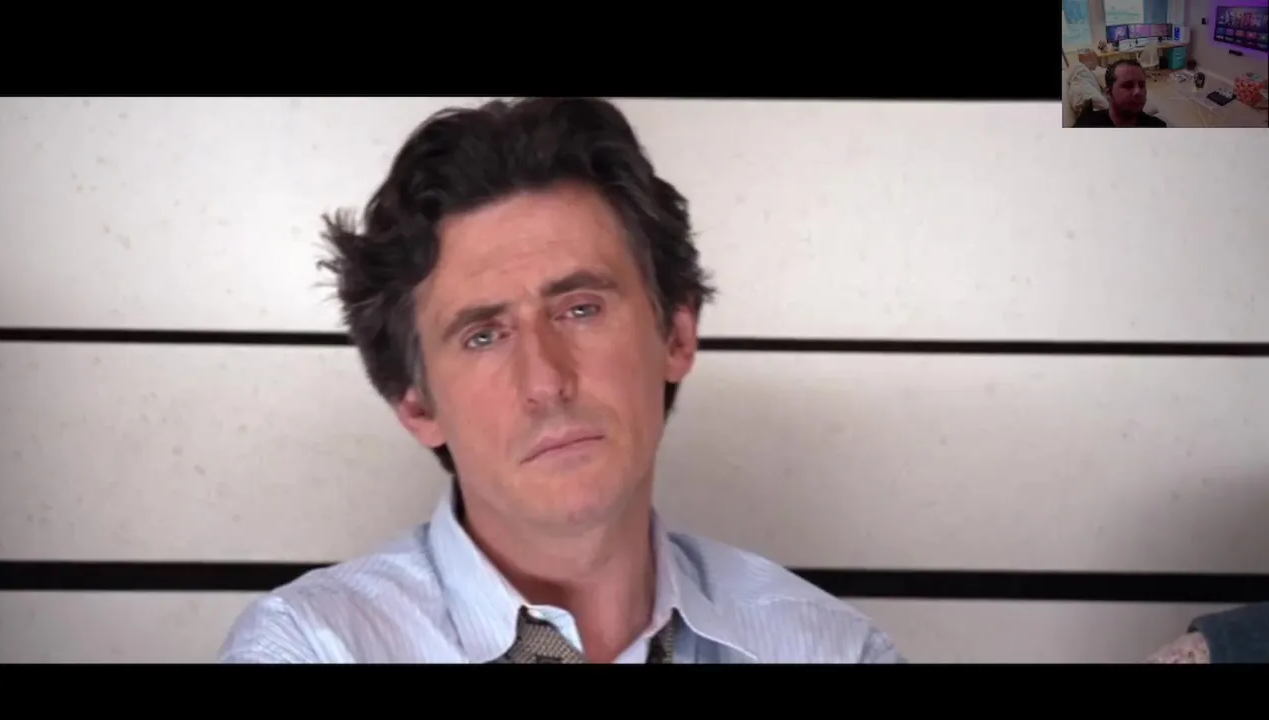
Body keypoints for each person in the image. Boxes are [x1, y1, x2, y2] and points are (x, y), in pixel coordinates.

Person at [217, 97, 905, 664]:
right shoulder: (310, 651)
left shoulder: (832, 651)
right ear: (416, 403)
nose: (546, 381)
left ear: (676, 334)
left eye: (580, 309)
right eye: (483, 335)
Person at [1073, 59, 1167, 127]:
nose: (1138, 91)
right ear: (1109, 93)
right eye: (1128, 85)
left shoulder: (1158, 127)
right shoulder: (1087, 127)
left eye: (1141, 85)